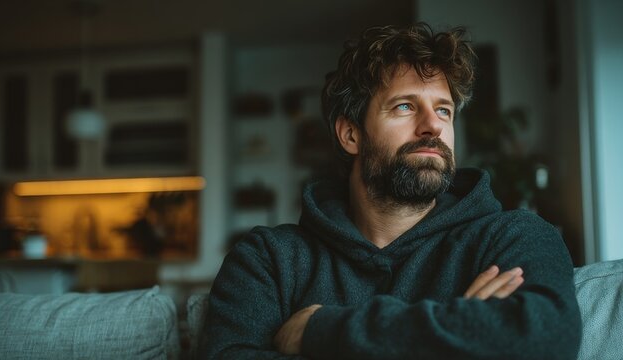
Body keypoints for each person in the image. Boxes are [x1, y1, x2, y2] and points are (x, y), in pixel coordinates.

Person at [200, 23, 582, 359]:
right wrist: (459, 334)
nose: (432, 125)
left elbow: (545, 341)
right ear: (351, 134)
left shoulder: (511, 237)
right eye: (404, 106)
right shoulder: (268, 260)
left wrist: (320, 330)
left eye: (444, 110)